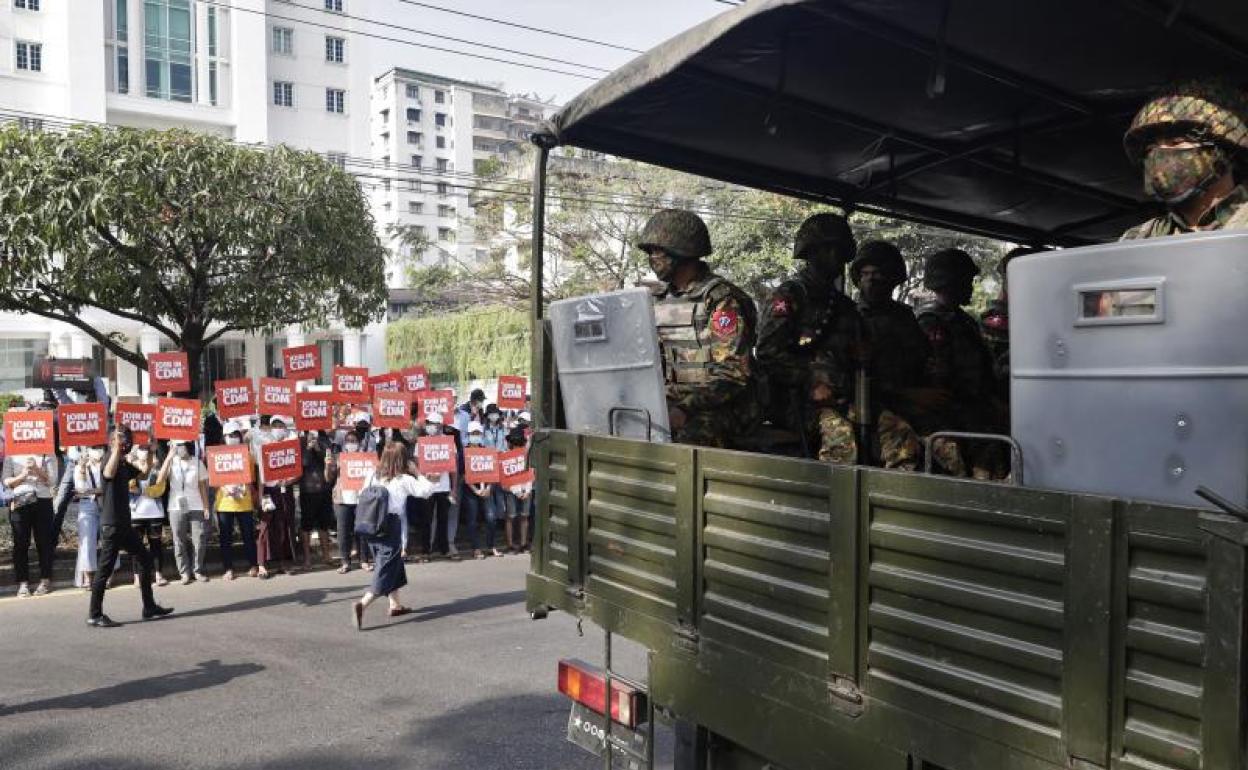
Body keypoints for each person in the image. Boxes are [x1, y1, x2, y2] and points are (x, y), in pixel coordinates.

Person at [639, 208, 759, 448]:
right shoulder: (655, 300)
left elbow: (732, 373)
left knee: (687, 438)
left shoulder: (720, 299)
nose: (652, 258)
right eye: (649, 252)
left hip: (724, 406)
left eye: (657, 251)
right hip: (672, 402)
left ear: (680, 251)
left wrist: (685, 408)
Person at [757, 212, 859, 448]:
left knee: (895, 430)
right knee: (840, 436)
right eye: (828, 249)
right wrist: (811, 382)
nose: (836, 256)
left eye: (840, 250)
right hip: (797, 402)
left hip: (843, 399)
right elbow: (767, 353)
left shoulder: (843, 305)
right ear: (811, 253)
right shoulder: (790, 296)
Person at [842, 240, 934, 470]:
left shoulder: (905, 317)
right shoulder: (849, 318)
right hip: (868, 404)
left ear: (893, 278)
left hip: (908, 402)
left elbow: (922, 361)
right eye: (865, 274)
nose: (871, 279)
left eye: (878, 273)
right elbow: (846, 378)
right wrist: (907, 394)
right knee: (904, 446)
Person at [916, 248, 1004, 478]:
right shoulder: (930, 320)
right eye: (967, 281)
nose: (971, 287)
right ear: (951, 282)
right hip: (947, 413)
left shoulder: (965, 321)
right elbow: (937, 375)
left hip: (975, 409)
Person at [1121, 80, 1248, 239]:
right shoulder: (1139, 238)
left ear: (1227, 152)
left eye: (1177, 142)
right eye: (1151, 148)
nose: (1159, 155)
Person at [87, 426, 172, 627]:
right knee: (104, 570)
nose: (125, 442)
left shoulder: (124, 462)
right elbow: (108, 474)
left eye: (126, 439)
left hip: (124, 525)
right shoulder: (109, 458)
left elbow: (144, 474)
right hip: (112, 525)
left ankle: (149, 607)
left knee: (145, 558)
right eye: (121, 439)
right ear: (112, 441)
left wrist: (150, 451)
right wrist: (116, 449)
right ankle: (95, 614)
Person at [351, 443, 435, 630]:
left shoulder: (372, 475)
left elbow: (362, 495)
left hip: (371, 524)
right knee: (386, 567)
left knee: (392, 562)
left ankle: (395, 604)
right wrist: (417, 472)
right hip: (390, 525)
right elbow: (427, 491)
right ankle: (362, 604)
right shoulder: (403, 479)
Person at [2, 444, 59, 597]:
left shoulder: (47, 450)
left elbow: (53, 481)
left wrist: (37, 469)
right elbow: (6, 481)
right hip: (19, 501)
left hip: (42, 500)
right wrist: (22, 475)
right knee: (20, 543)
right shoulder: (11, 452)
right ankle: (23, 583)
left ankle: (45, 580)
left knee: (44, 542)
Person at [214, 422, 258, 581]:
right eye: (230, 435)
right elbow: (214, 479)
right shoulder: (216, 455)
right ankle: (228, 569)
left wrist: (243, 489)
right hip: (224, 503)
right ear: (224, 437)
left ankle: (253, 565)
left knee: (248, 535)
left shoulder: (248, 455)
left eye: (235, 435)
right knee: (226, 538)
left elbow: (251, 480)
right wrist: (225, 488)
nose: (233, 438)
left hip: (244, 501)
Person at [256, 416, 298, 578]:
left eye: (281, 425)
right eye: (275, 425)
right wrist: (261, 497)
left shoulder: (290, 447)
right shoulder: (264, 447)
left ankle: (282, 563)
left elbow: (297, 472)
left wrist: (287, 482)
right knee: (265, 527)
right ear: (270, 428)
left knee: (282, 527)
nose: (278, 428)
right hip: (268, 491)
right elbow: (260, 475)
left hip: (284, 491)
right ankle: (261, 565)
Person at [166, 440, 211, 584]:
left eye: (181, 445)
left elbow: (202, 486)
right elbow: (160, 479)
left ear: (188, 446)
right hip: (176, 506)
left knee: (199, 539)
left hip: (196, 505)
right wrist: (168, 457)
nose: (179, 448)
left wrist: (206, 507)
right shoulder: (171, 461)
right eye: (177, 445)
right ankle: (184, 573)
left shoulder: (197, 462)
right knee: (179, 540)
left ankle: (197, 570)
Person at [327, 432, 372, 574]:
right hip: (343, 500)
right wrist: (328, 466)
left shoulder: (366, 458)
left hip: (360, 499)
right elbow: (328, 478)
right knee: (343, 532)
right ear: (344, 443)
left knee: (362, 531)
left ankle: (364, 560)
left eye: (354, 440)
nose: (351, 443)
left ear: (359, 443)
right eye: (348, 440)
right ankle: (345, 562)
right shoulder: (339, 457)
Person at [128, 439, 171, 587]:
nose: (144, 452)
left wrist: (169, 457)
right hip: (136, 514)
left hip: (155, 513)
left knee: (156, 545)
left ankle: (158, 574)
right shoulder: (130, 470)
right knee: (136, 546)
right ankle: (137, 577)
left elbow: (159, 488)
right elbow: (130, 488)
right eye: (141, 449)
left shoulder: (156, 469)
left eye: (146, 449)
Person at [418, 413, 456, 561]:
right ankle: (425, 550)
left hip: (444, 487)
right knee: (426, 519)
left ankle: (444, 549)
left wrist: (453, 488)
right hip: (427, 487)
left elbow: (454, 468)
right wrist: (426, 475)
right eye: (428, 423)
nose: (430, 426)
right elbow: (417, 464)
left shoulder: (449, 443)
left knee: (443, 519)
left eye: (433, 423)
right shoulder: (421, 442)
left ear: (440, 425)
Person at [461, 421, 501, 559]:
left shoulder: (487, 451)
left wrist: (489, 487)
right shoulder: (464, 452)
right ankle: (476, 548)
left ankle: (491, 546)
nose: (476, 436)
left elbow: (493, 471)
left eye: (478, 433)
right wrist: (475, 490)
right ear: (468, 435)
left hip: (487, 489)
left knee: (491, 518)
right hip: (471, 491)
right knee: (472, 519)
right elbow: (463, 474)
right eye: (473, 433)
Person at [299, 430, 334, 569]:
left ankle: (326, 555)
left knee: (324, 525)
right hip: (307, 491)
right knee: (306, 526)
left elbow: (328, 461)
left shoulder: (325, 440)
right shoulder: (301, 442)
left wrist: (318, 449)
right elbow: (303, 463)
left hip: (324, 489)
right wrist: (308, 448)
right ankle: (307, 559)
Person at [73, 446, 106, 589]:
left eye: (98, 448)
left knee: (108, 539)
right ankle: (88, 576)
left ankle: (108, 574)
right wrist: (82, 468)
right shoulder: (81, 466)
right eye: (93, 448)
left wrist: (92, 490)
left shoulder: (107, 463)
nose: (96, 451)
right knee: (87, 541)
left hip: (106, 504)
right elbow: (80, 489)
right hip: (87, 505)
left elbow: (110, 486)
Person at [502, 426, 531, 553]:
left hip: (525, 490)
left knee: (524, 516)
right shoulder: (506, 455)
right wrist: (517, 491)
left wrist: (527, 490)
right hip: (511, 490)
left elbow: (531, 473)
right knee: (511, 516)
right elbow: (507, 475)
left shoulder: (527, 455)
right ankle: (510, 544)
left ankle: (523, 543)